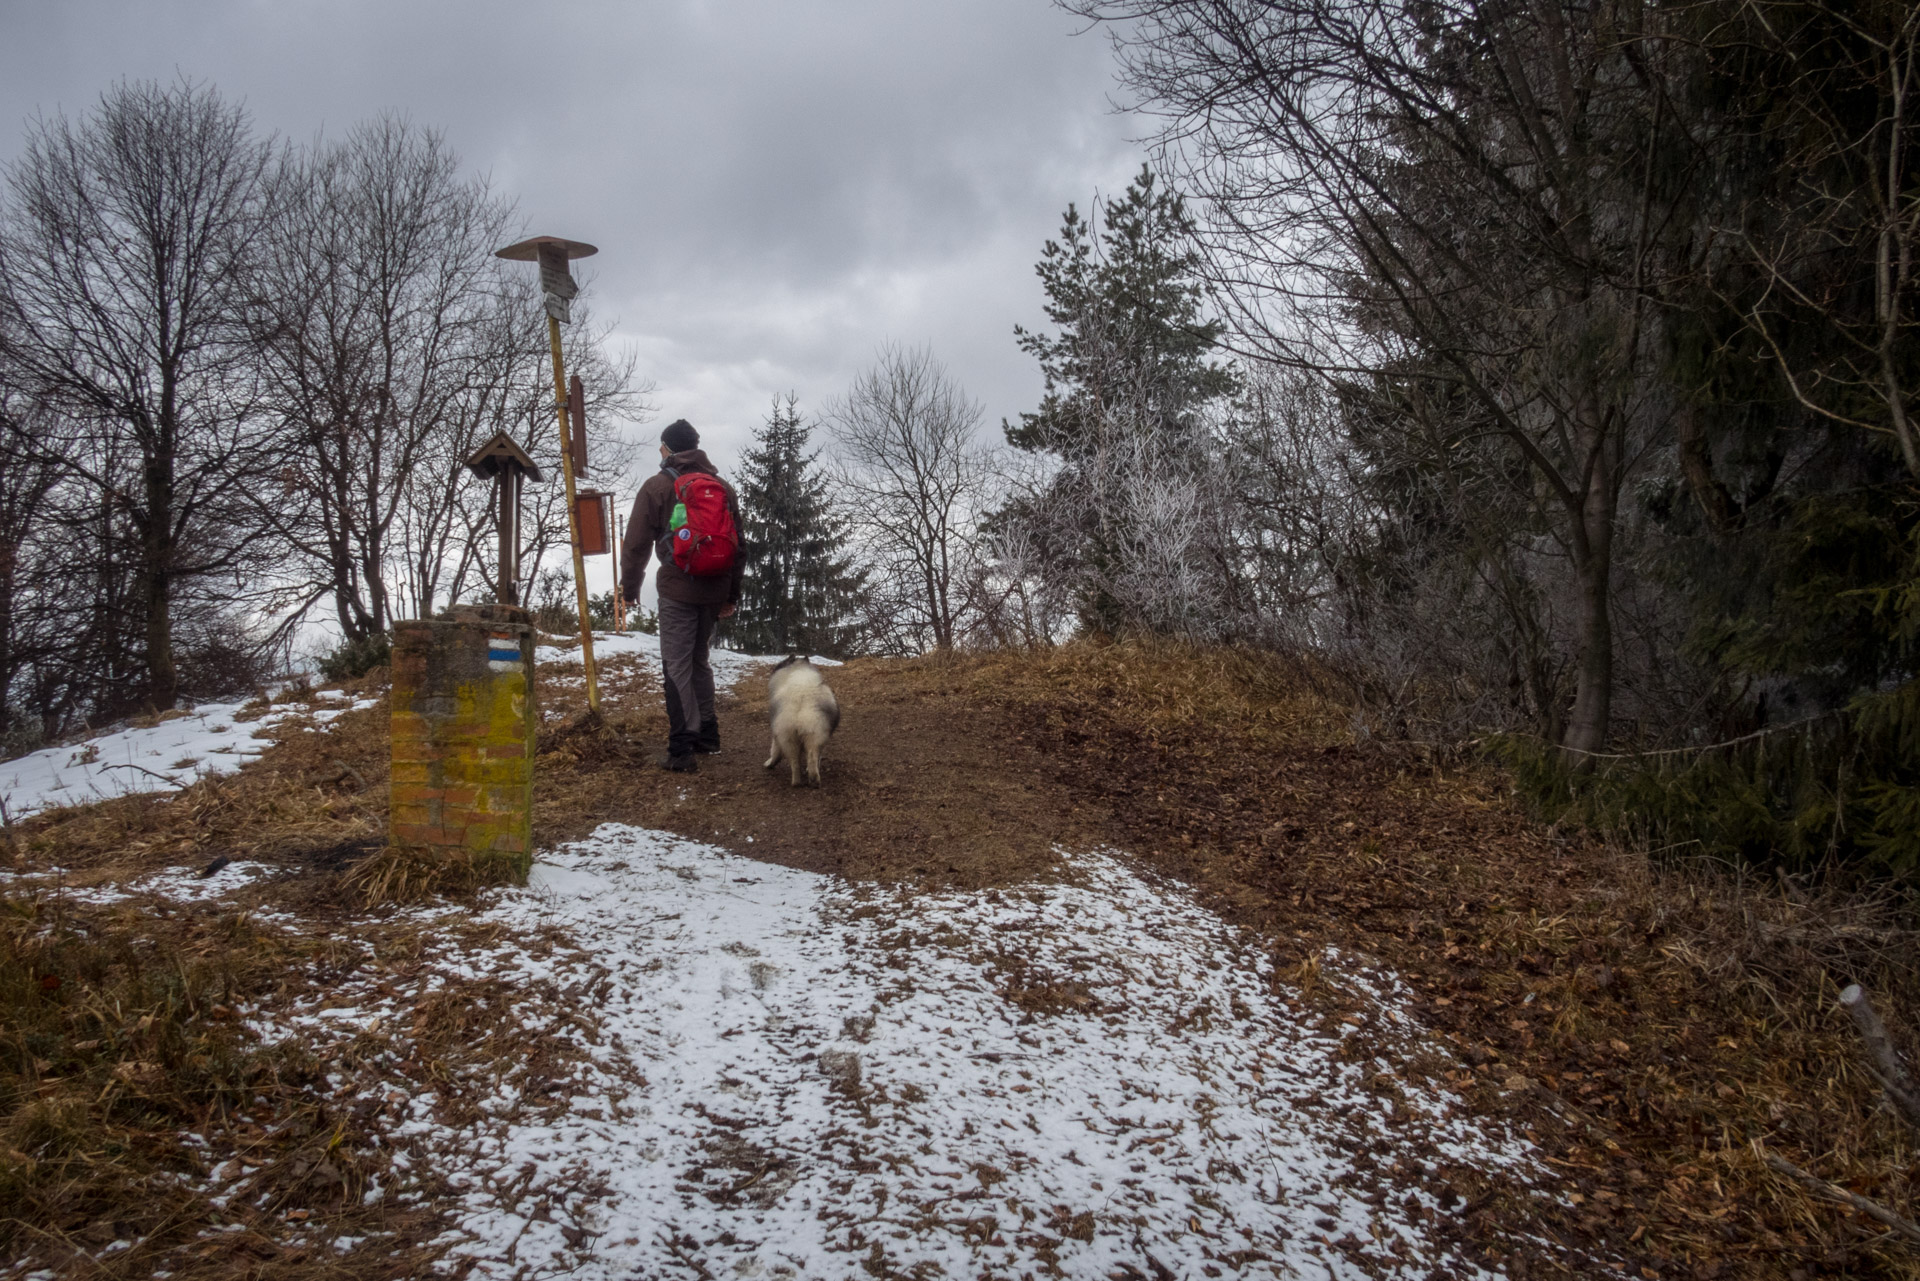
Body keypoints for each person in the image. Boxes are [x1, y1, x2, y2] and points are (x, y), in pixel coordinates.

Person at [620, 419, 744, 772]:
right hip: (715, 587)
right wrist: (730, 595)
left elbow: (636, 545)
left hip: (677, 589)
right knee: (699, 660)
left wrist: (629, 590)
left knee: (676, 664)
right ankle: (708, 734)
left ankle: (681, 749)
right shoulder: (721, 487)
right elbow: (739, 547)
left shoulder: (657, 486)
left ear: (668, 449)